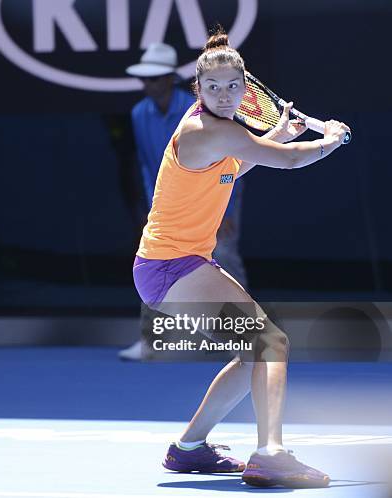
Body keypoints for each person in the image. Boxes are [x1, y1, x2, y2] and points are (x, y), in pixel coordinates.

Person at [133, 28, 350, 488]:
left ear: (246, 87)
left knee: (254, 351)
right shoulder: (206, 130)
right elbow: (289, 163)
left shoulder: (217, 133)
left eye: (234, 86)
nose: (225, 94)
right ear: (198, 89)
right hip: (172, 266)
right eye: (214, 87)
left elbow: (235, 164)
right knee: (271, 342)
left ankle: (189, 449)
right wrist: (330, 138)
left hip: (171, 265)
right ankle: (271, 453)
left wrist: (276, 133)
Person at [119, 43, 246, 361]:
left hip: (217, 191)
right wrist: (156, 206)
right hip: (172, 203)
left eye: (154, 78)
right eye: (144, 79)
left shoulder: (198, 110)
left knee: (225, 254)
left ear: (169, 79)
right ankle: (151, 340)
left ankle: (244, 335)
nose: (148, 84)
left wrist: (225, 210)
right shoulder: (138, 114)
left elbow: (229, 160)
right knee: (155, 262)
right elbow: (150, 164)